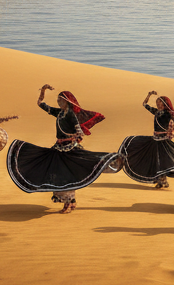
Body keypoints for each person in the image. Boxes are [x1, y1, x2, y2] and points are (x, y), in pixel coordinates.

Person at [6, 85, 120, 213]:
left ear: (68, 102)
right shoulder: (59, 113)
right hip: (58, 149)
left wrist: (72, 138)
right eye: (58, 100)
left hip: (69, 150)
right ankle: (71, 202)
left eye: (61, 100)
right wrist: (43, 90)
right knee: (60, 175)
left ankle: (68, 203)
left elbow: (79, 132)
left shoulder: (71, 115)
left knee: (66, 175)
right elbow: (40, 103)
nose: (59, 103)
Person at [117, 91, 174, 189]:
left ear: (165, 104)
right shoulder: (157, 112)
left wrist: (171, 131)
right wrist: (149, 95)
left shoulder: (169, 114)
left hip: (163, 141)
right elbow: (144, 104)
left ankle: (163, 181)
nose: (158, 104)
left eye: (160, 102)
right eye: (157, 102)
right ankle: (161, 181)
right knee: (154, 159)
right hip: (154, 140)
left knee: (162, 161)